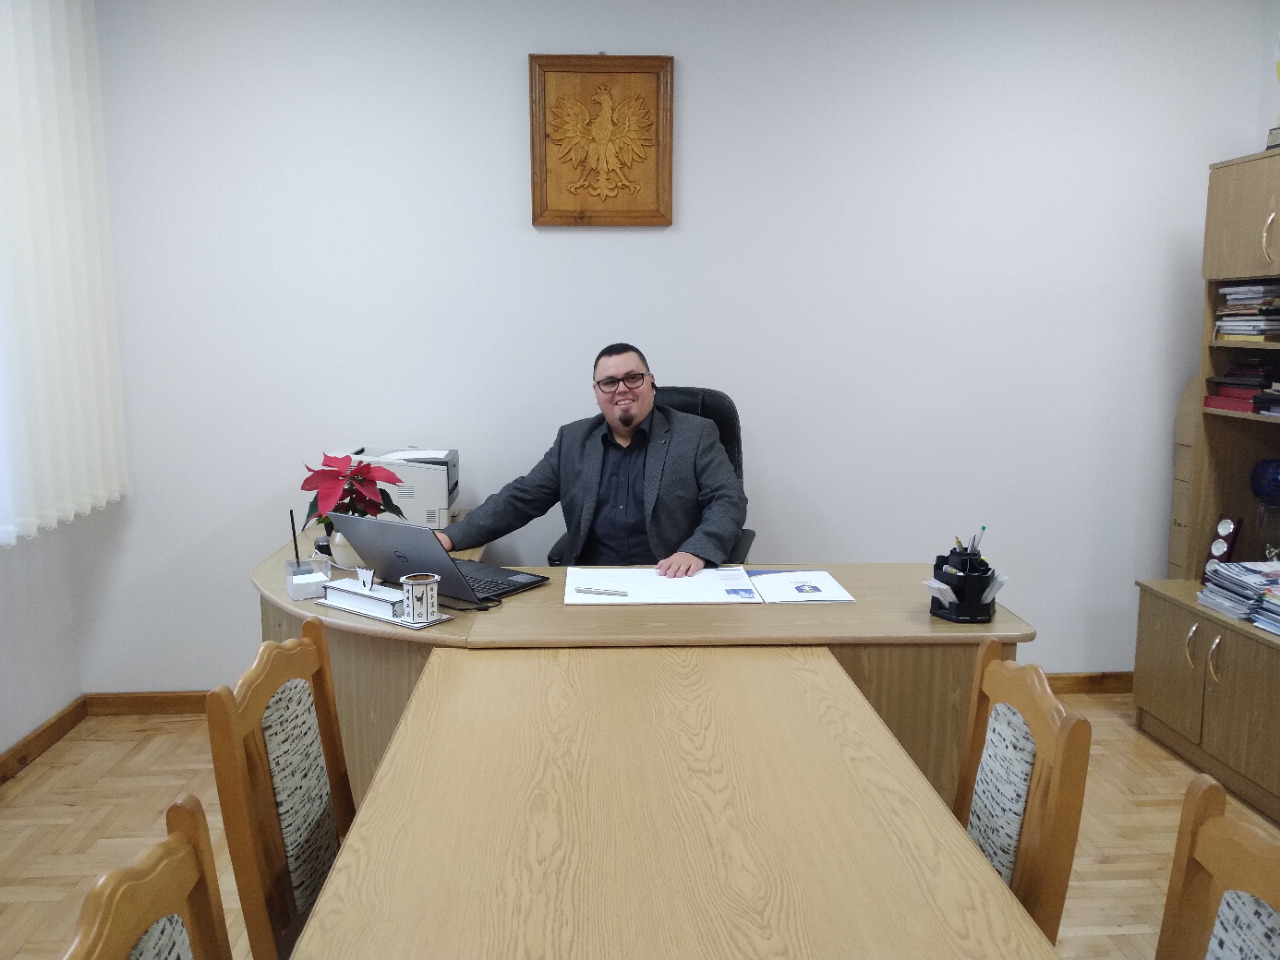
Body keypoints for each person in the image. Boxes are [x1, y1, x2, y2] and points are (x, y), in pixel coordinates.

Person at [434, 343, 747, 577]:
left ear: (651, 382)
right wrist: (450, 536)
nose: (621, 389)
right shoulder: (573, 440)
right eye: (609, 382)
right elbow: (522, 498)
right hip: (592, 582)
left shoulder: (695, 434)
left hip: (669, 577)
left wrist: (696, 551)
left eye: (633, 378)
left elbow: (727, 499)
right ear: (597, 392)